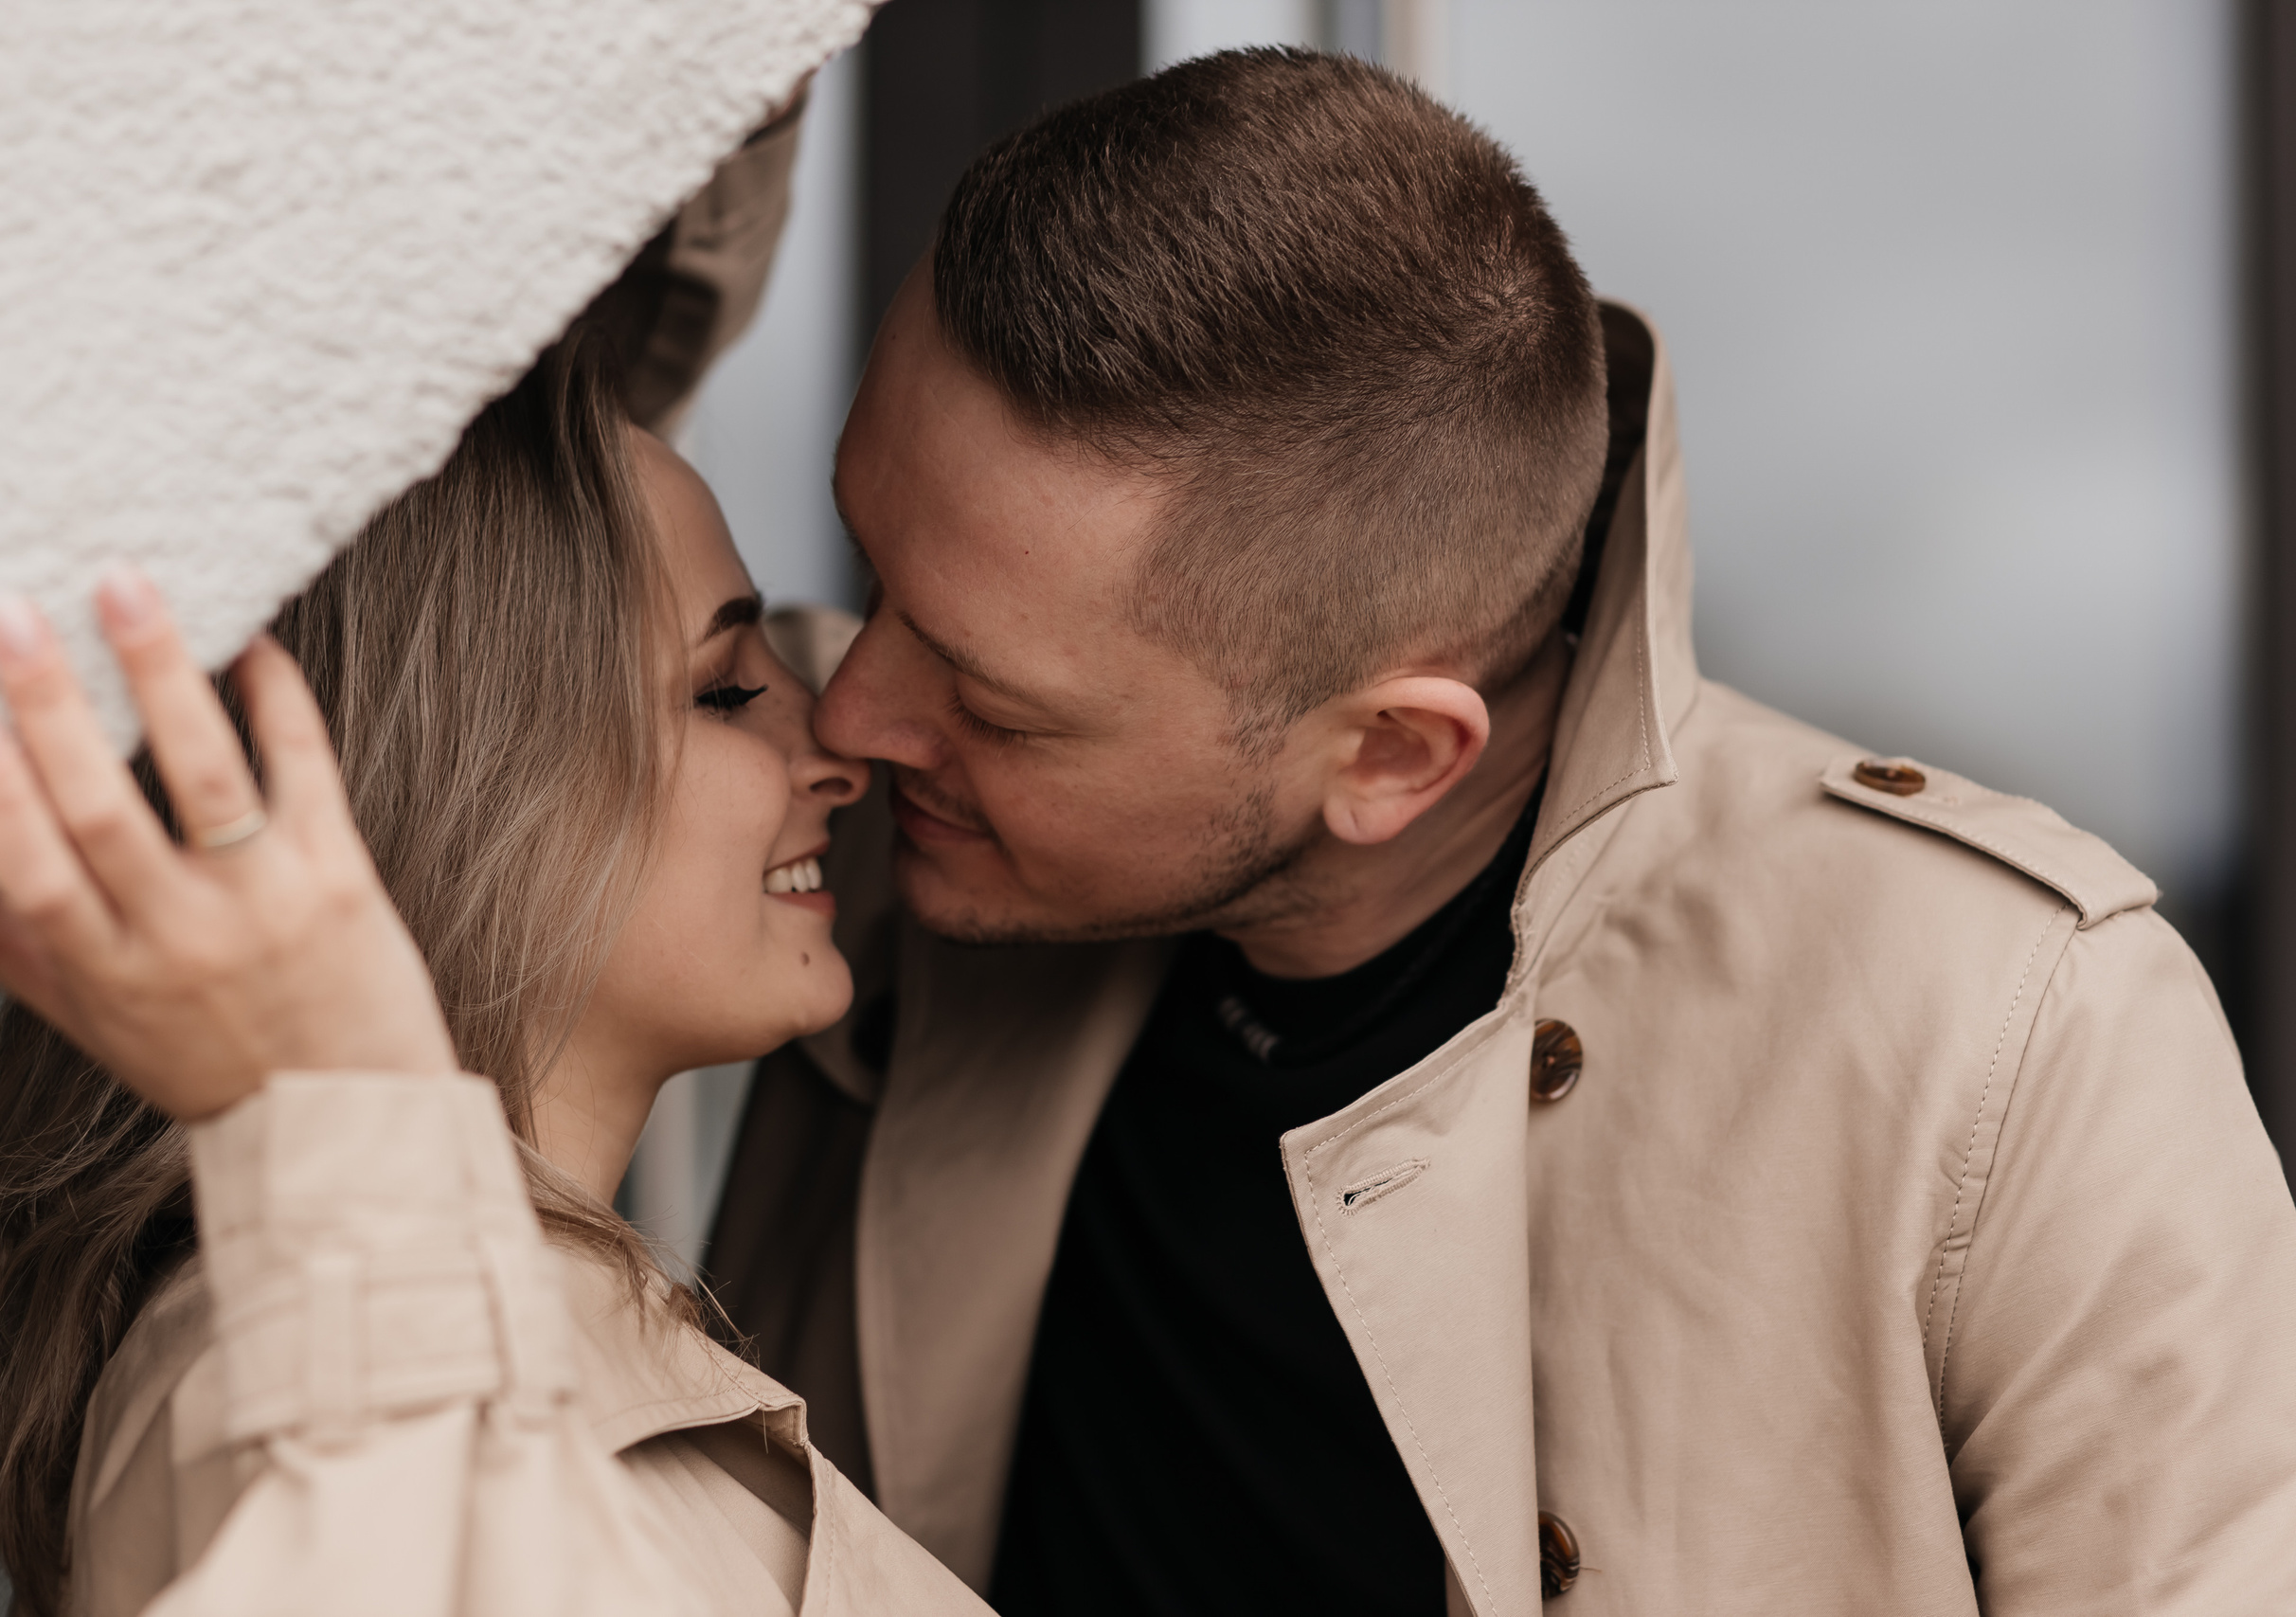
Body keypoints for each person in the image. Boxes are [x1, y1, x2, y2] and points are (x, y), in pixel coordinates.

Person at [702, 47, 2296, 1615]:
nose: (844, 718)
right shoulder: (801, 814)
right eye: (871, 567)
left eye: (991, 698)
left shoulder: (2010, 1040)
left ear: (1393, 754)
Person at [0, 332, 990, 1617]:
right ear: (476, 800)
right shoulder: (286, 1349)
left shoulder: (386, 1313)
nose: (841, 753)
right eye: (728, 688)